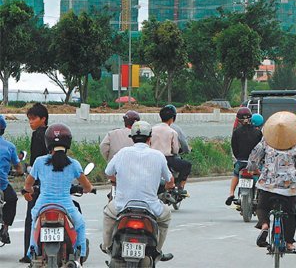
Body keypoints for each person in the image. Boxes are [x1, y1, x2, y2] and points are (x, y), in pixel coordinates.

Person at [102, 121, 174, 262]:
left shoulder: (122, 153)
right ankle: (158, 251)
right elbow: (169, 180)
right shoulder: (158, 156)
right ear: (149, 138)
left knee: (108, 214)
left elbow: (108, 172)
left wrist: (117, 179)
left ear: (132, 138)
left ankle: (107, 246)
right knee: (166, 218)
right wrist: (168, 186)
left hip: (122, 206)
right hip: (151, 208)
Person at [23, 124, 94, 260]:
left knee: (34, 222)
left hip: (43, 206)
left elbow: (28, 184)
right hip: (65, 206)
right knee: (80, 224)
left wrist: (29, 190)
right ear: (68, 143)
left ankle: (31, 252)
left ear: (47, 142)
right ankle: (80, 256)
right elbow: (87, 186)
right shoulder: (74, 164)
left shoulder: (39, 162)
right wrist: (88, 189)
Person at [249, 111, 296, 254]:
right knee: (291, 212)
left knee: (262, 207)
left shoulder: (266, 142)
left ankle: (264, 225)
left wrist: (254, 170)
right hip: (289, 187)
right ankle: (289, 243)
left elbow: (253, 159)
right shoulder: (295, 145)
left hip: (268, 184)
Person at [20, 103, 49, 264]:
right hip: (51, 181)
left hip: (38, 182)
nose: (30, 122)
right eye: (29, 119)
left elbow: (35, 161)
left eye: (33, 119)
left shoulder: (37, 135)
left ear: (43, 119)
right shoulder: (51, 134)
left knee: (31, 217)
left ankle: (28, 253)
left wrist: (29, 183)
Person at [151, 105, 192, 196]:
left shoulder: (152, 129)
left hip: (152, 158)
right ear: (172, 118)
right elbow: (175, 150)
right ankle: (180, 187)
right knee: (187, 165)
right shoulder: (172, 131)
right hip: (167, 159)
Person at [226, 108, 263, 206]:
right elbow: (261, 149)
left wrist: (239, 158)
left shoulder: (236, 132)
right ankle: (259, 195)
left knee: (236, 174)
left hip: (241, 162)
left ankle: (231, 193)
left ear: (238, 119)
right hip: (254, 163)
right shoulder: (258, 133)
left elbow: (234, 148)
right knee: (261, 175)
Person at [0, 115, 21, 245]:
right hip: (2, 184)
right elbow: (18, 167)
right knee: (12, 199)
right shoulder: (9, 147)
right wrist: (19, 172)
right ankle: (5, 228)